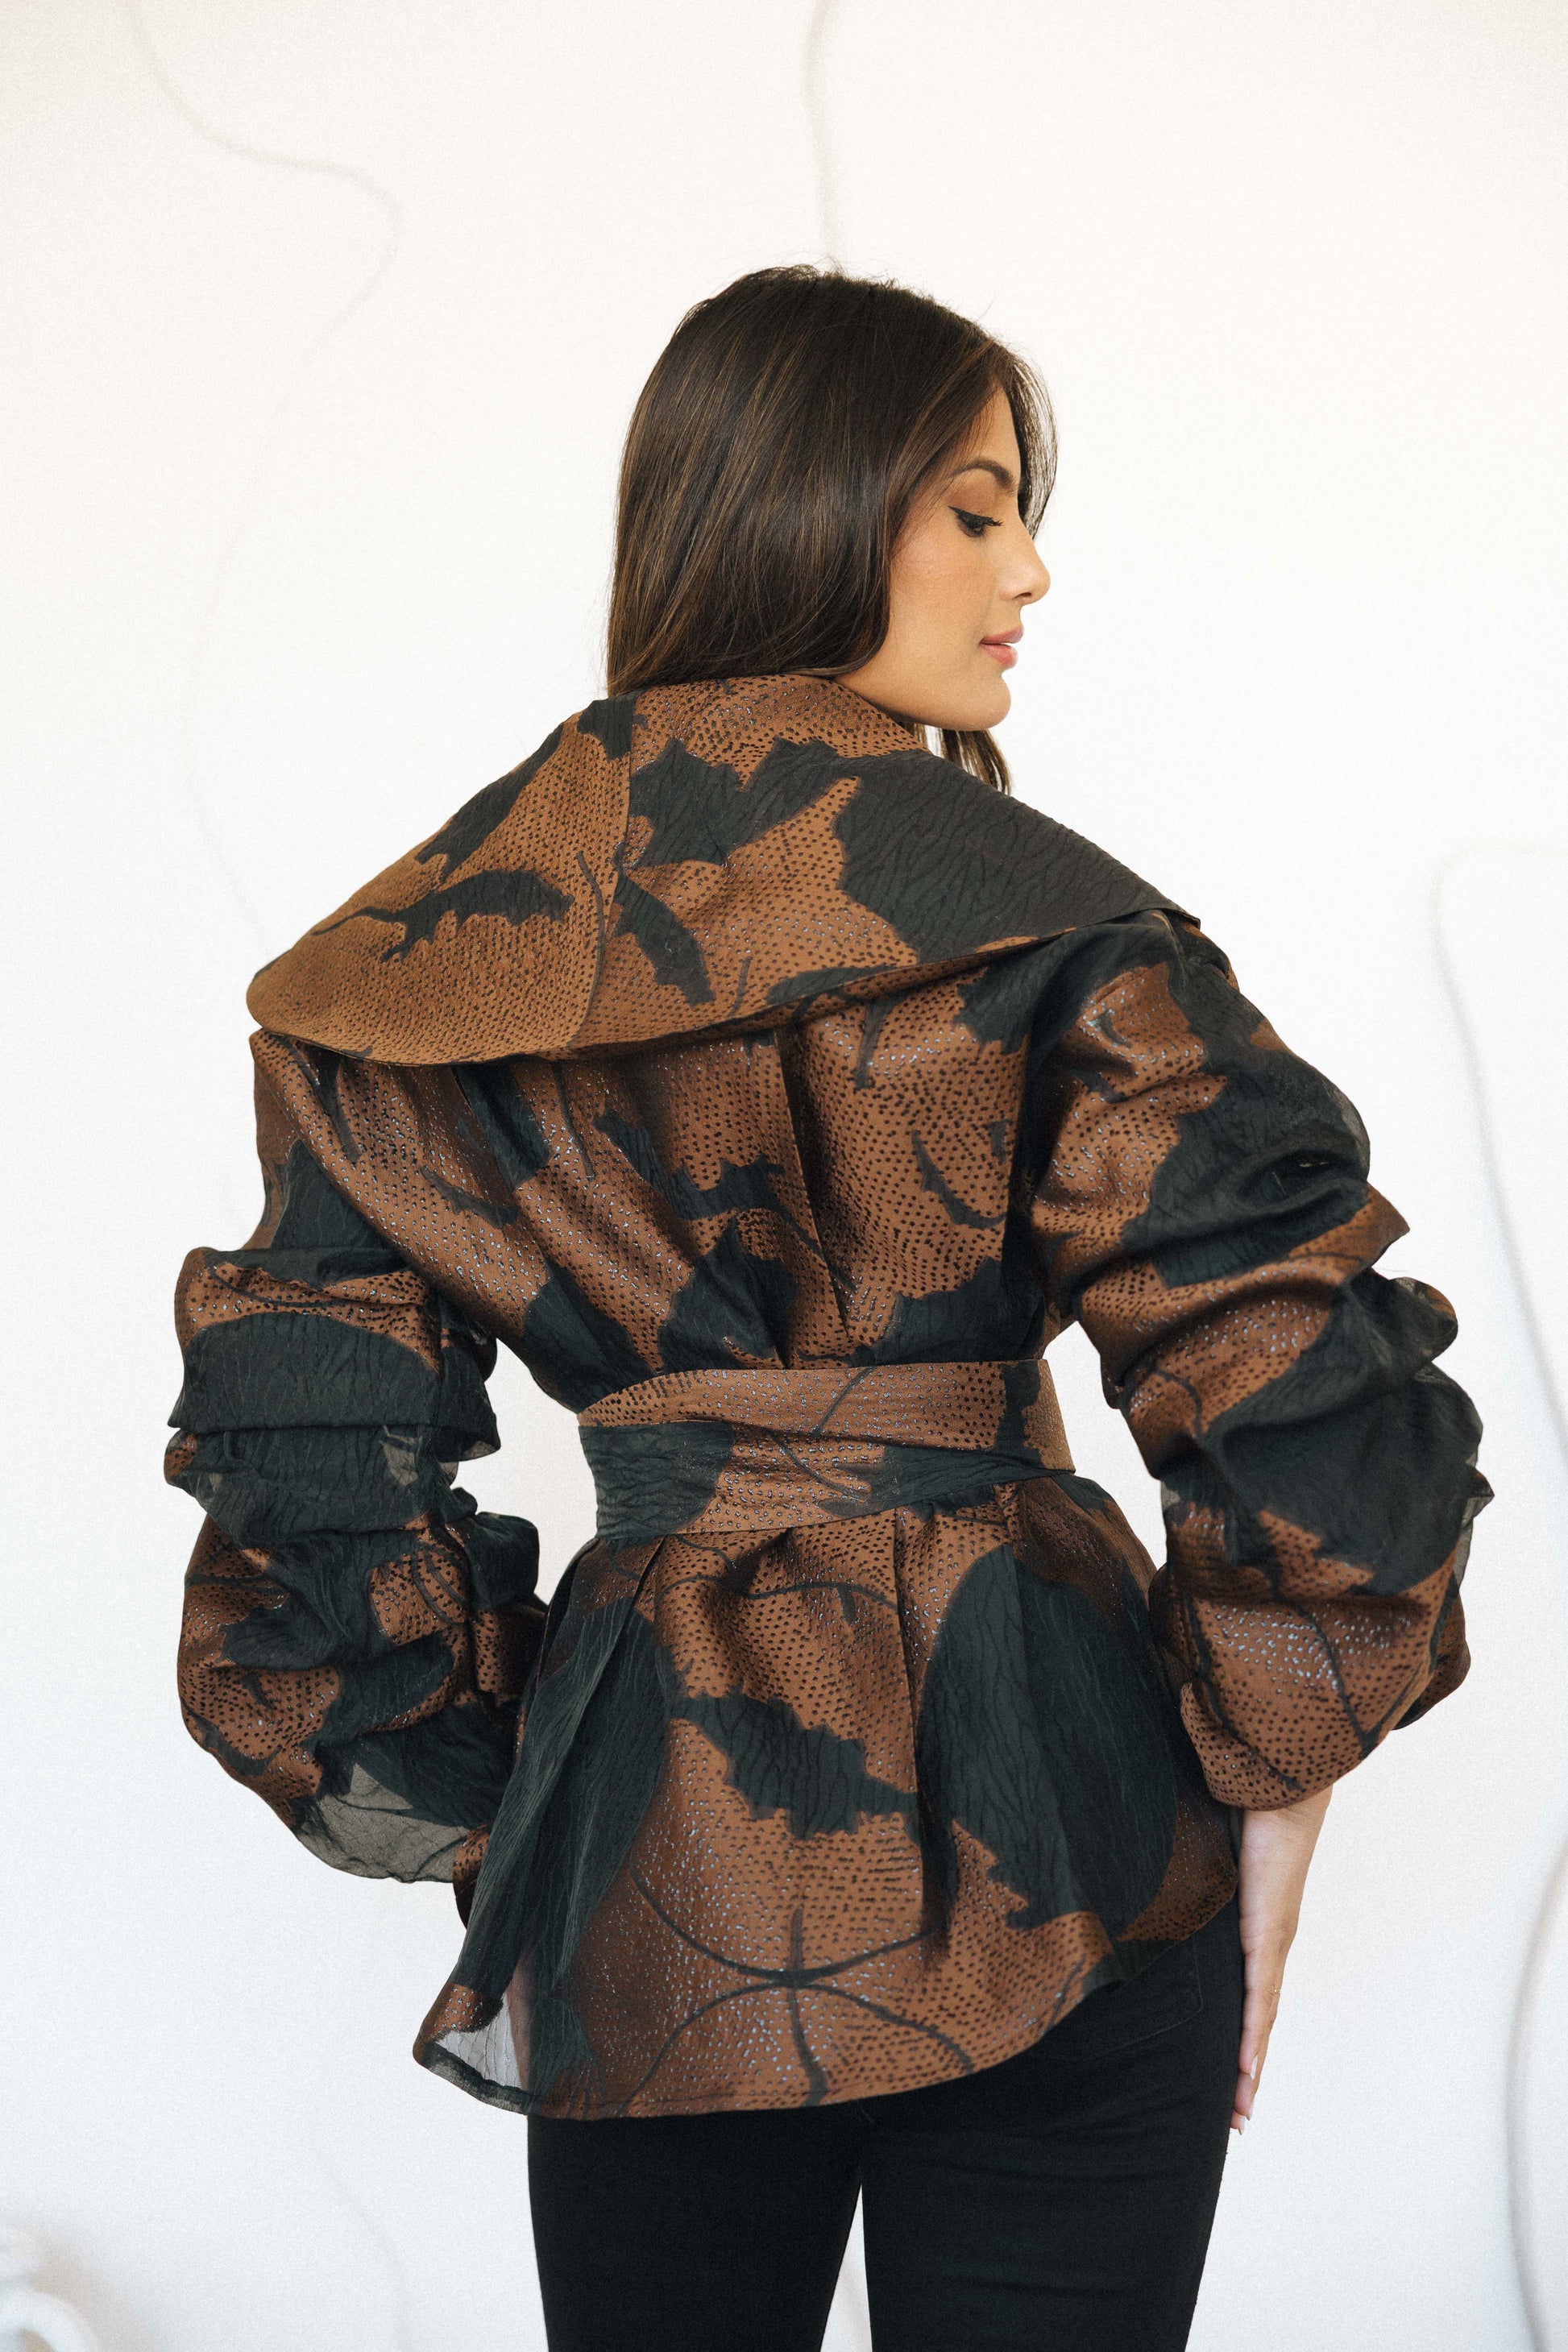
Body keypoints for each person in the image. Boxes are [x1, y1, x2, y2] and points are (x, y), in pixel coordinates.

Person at [166, 266, 1487, 2351]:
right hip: (1072, 1828)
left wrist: (496, 1802)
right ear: (804, 503)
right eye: (974, 506)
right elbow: (1297, 1369)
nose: (1028, 569)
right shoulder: (1052, 923)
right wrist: (1277, 1765)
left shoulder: (413, 976)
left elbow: (309, 1456)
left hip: (652, 1855)